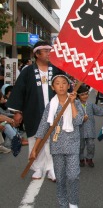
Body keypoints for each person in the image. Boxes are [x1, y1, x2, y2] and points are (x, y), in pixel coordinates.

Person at [7, 41, 64, 180]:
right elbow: (19, 91)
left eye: (50, 50)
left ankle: (51, 168)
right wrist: (17, 112)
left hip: (54, 111)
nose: (49, 53)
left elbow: (66, 86)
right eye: (45, 51)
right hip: (33, 111)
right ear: (37, 54)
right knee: (34, 138)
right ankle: (37, 167)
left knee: (53, 139)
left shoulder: (56, 69)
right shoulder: (27, 71)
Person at [29, 75, 84, 208]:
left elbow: (78, 121)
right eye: (57, 83)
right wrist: (34, 148)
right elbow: (43, 126)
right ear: (53, 87)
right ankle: (63, 204)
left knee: (73, 176)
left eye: (64, 83)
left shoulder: (75, 102)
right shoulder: (50, 105)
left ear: (68, 86)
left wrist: (71, 103)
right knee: (60, 178)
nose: (61, 86)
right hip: (57, 145)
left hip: (72, 144)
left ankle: (73, 203)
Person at [77, 84, 103, 167]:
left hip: (90, 128)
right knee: (80, 146)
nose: (85, 96)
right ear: (78, 96)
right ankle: (81, 159)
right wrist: (81, 118)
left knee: (91, 145)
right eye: (82, 95)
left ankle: (89, 158)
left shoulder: (90, 105)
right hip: (79, 130)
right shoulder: (74, 105)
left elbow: (99, 111)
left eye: (86, 94)